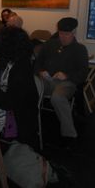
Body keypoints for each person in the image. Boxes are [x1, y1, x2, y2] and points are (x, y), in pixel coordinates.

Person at [0, 27, 39, 150]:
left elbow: (9, 103)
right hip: (8, 107)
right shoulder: (9, 61)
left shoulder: (22, 68)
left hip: (19, 118)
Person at [35, 17, 88, 148]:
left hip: (66, 83)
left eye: (66, 34)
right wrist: (41, 71)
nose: (63, 37)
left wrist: (67, 75)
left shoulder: (80, 49)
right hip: (46, 80)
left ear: (74, 32)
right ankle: (30, 124)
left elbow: (83, 73)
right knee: (30, 86)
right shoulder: (50, 44)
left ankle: (69, 133)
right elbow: (37, 63)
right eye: (60, 33)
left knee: (58, 98)